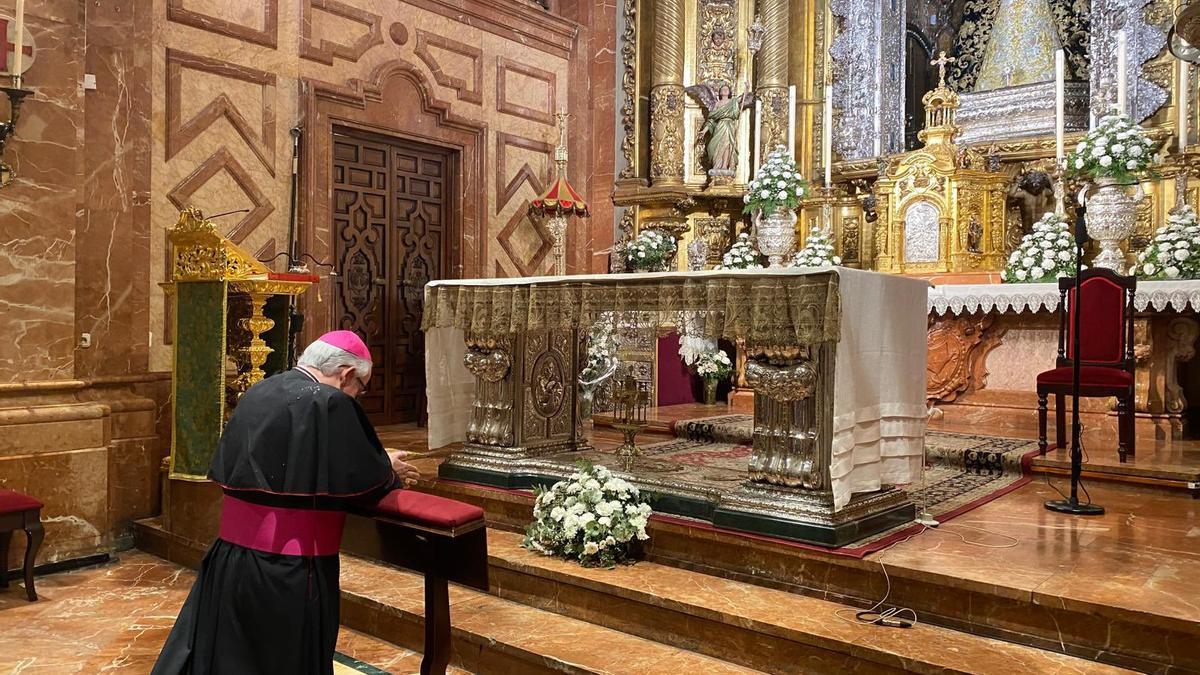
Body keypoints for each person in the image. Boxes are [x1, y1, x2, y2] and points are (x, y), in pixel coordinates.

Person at [152, 331, 420, 675]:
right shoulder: (329, 401)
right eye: (361, 388)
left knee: (230, 656)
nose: (357, 396)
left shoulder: (261, 389)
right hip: (290, 568)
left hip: (230, 559)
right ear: (347, 374)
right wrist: (389, 468)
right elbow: (364, 482)